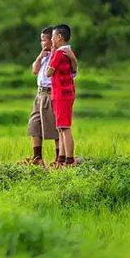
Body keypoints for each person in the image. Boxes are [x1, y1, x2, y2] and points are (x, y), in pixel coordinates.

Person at [24, 27, 60, 166]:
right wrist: (40, 55)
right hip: (40, 94)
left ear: (52, 40)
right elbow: (34, 70)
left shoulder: (57, 55)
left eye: (44, 40)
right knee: (34, 125)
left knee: (56, 127)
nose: (42, 42)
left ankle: (59, 158)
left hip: (51, 93)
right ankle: (37, 158)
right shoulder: (44, 56)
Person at [46, 24, 78, 167]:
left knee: (64, 127)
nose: (51, 39)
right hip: (64, 93)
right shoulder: (68, 52)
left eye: (52, 37)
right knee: (61, 127)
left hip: (61, 94)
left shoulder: (59, 53)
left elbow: (48, 72)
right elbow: (74, 71)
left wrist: (52, 53)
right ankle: (62, 158)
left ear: (59, 37)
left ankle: (69, 160)